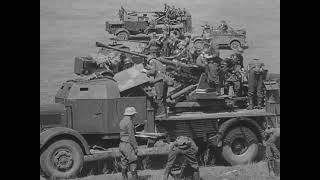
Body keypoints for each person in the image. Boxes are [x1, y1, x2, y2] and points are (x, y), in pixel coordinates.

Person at [119, 107, 139, 180]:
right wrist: (135, 147)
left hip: (121, 144)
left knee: (124, 163)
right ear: (131, 114)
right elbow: (131, 137)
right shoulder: (129, 122)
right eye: (134, 114)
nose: (134, 116)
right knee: (133, 161)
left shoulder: (122, 121)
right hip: (128, 145)